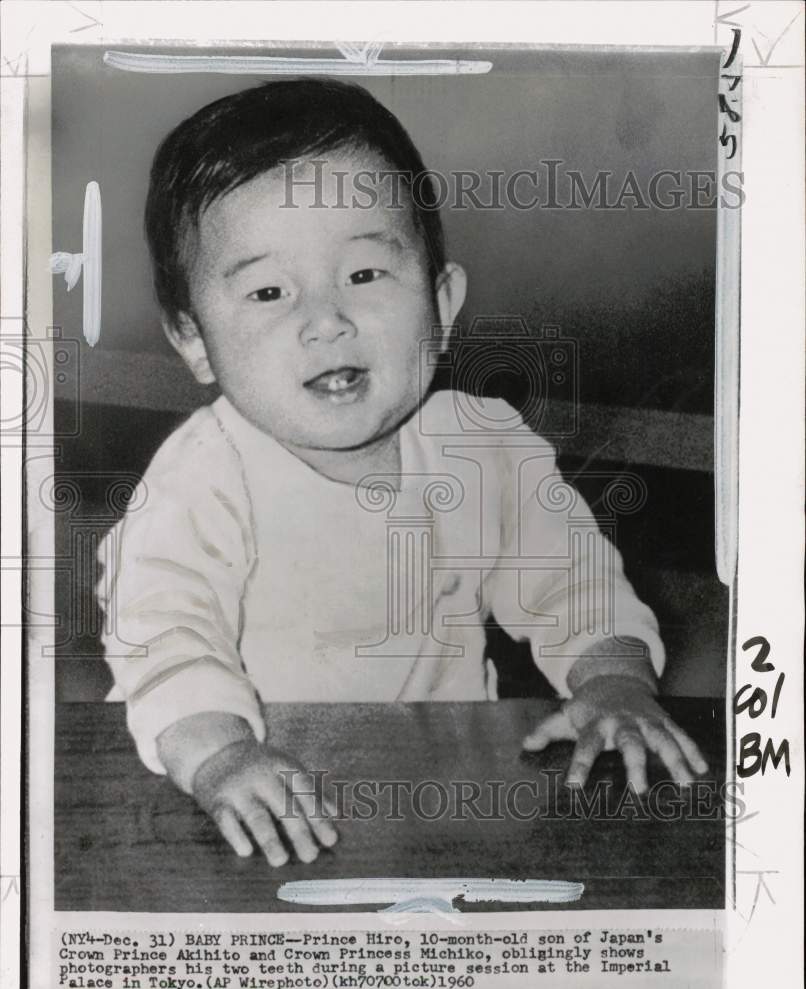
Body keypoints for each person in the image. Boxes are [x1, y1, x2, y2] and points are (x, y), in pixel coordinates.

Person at [98, 78, 707, 868]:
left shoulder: (477, 444)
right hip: (249, 812)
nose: (326, 321)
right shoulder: (199, 483)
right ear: (194, 341)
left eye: (364, 275)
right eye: (269, 291)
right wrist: (220, 759)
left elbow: (571, 581)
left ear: (442, 303)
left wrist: (612, 681)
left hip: (443, 800)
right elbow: (164, 639)